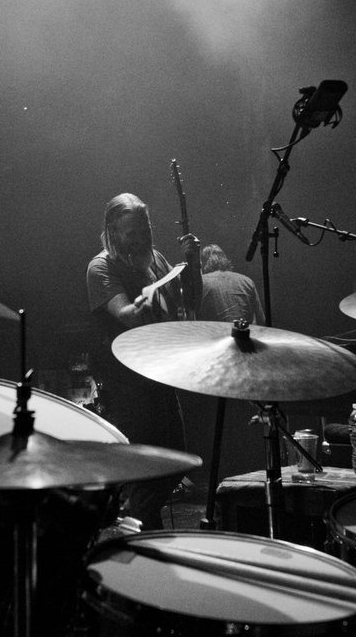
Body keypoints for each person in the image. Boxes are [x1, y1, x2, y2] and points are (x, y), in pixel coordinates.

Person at [85, 193, 201, 529]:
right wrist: (144, 298)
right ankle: (140, 532)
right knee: (143, 466)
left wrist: (192, 265)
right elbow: (125, 315)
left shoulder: (157, 260)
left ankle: (137, 520)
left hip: (159, 375)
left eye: (144, 229)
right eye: (131, 232)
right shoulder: (101, 266)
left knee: (176, 458)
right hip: (126, 383)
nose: (140, 238)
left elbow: (191, 301)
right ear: (113, 231)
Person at [196, 243, 265, 325]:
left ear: (202, 264)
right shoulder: (247, 281)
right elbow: (262, 321)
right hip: (243, 335)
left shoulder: (200, 282)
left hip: (213, 335)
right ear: (224, 259)